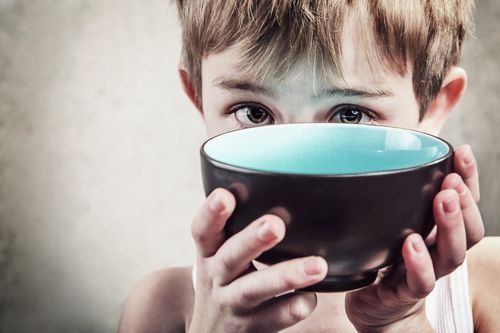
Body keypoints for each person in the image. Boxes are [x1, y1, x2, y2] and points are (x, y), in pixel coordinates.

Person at [118, 1, 500, 332]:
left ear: (435, 107)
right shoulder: (162, 309)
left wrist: (400, 323)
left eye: (350, 115)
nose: (296, 160)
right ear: (199, 101)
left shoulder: (487, 283)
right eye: (254, 112)